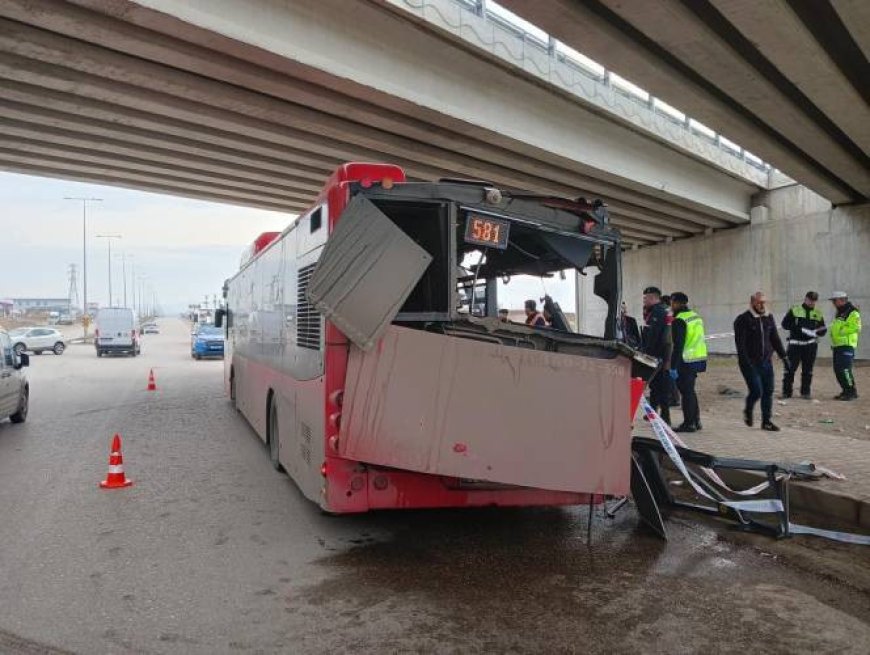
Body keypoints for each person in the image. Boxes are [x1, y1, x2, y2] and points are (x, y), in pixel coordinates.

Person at [734, 292, 790, 431]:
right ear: (752, 302)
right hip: (750, 363)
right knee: (756, 391)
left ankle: (766, 421)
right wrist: (746, 362)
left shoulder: (768, 317)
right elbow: (740, 345)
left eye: (764, 302)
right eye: (759, 302)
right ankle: (748, 409)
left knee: (768, 391)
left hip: (766, 362)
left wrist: (784, 357)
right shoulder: (743, 319)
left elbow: (775, 339)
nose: (762, 305)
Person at [670, 292, 707, 432]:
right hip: (698, 358)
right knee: (690, 391)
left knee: (686, 392)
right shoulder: (695, 316)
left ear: (677, 303)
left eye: (672, 302)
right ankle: (696, 421)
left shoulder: (680, 319)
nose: (671, 305)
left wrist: (673, 366)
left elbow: (678, 344)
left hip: (685, 360)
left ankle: (689, 423)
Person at [781, 291, 826, 399]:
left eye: (814, 301)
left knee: (808, 370)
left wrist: (817, 332)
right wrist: (800, 329)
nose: (812, 302)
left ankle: (805, 393)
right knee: (789, 369)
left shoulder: (818, 313)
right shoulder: (795, 310)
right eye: (810, 300)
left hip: (810, 346)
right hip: (795, 345)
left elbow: (823, 329)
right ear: (805, 299)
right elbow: (785, 324)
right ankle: (787, 393)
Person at [640, 286, 673, 425]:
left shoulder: (658, 313)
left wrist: (648, 354)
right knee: (655, 386)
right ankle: (653, 413)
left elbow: (658, 337)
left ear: (653, 298)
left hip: (658, 355)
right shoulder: (658, 311)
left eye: (645, 298)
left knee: (661, 387)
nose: (644, 301)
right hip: (658, 355)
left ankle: (665, 417)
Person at [829, 291, 861, 401]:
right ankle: (845, 390)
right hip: (838, 346)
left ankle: (851, 392)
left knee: (845, 369)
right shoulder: (839, 312)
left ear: (842, 300)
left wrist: (841, 331)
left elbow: (856, 327)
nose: (833, 303)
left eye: (834, 300)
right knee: (838, 370)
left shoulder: (852, 312)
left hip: (847, 345)